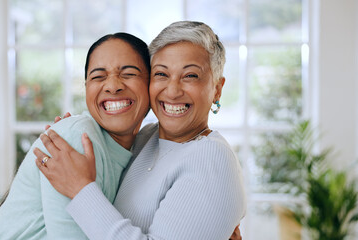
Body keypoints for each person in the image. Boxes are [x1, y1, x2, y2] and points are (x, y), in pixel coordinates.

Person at [35, 21, 246, 240]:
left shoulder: (211, 159)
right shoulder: (147, 137)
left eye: (190, 76)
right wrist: (75, 130)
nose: (172, 91)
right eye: (161, 74)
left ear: (217, 90)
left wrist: (80, 189)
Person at [0, 32, 151, 239]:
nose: (113, 86)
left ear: (151, 83)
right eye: (98, 76)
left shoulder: (143, 148)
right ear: (87, 88)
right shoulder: (77, 138)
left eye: (128, 73)